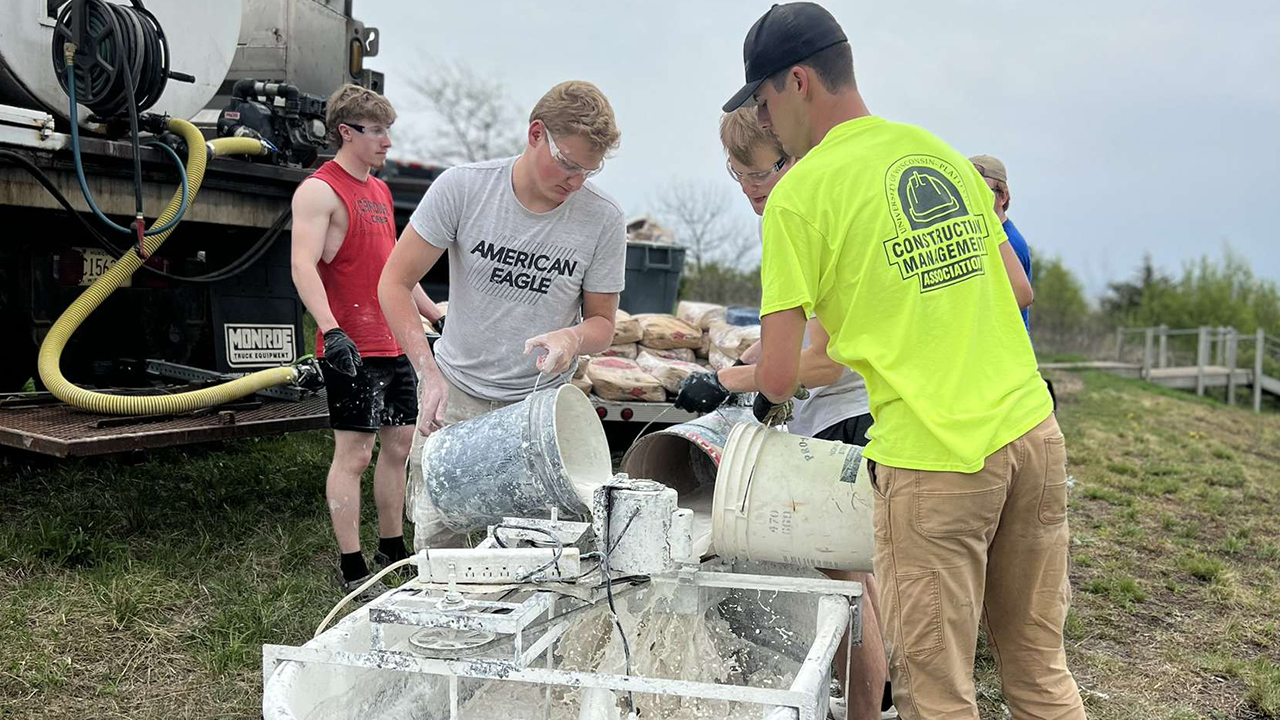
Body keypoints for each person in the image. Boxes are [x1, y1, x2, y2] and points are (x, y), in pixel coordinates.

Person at [721, 4, 1084, 720]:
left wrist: (731, 384)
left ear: (797, 82)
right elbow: (1015, 288)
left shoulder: (800, 195)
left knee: (937, 693)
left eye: (763, 103)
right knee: (1039, 670)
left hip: (934, 460)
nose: (765, 122)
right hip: (1033, 436)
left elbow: (777, 376)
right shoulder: (938, 152)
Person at [675, 106, 890, 720]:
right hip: (850, 418)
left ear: (785, 161)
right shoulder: (832, 204)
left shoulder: (807, 213)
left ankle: (865, 711)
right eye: (737, 178)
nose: (749, 192)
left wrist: (728, 379)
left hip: (845, 424)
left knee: (846, 591)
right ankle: (872, 702)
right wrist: (764, 352)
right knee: (860, 585)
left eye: (756, 177)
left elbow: (827, 365)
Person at [378, 80, 625, 547]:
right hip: (455, 403)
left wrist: (572, 339)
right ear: (536, 134)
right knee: (438, 553)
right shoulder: (464, 188)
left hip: (536, 414)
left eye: (587, 173)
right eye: (568, 164)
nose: (574, 183)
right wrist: (428, 374)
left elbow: (603, 324)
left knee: (537, 559)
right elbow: (393, 282)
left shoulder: (603, 220)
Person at [290, 84, 438, 599]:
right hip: (350, 343)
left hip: (395, 339)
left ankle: (391, 548)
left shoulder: (377, 190)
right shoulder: (319, 191)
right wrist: (332, 331)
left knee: (400, 445)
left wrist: (432, 312)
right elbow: (302, 265)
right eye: (375, 131)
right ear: (346, 132)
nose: (386, 142)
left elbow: (394, 267)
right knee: (354, 454)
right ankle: (352, 566)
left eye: (387, 130)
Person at [970, 154, 1033, 331]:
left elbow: (1015, 301)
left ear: (1003, 196)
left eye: (981, 190)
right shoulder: (980, 236)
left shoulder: (1010, 243)